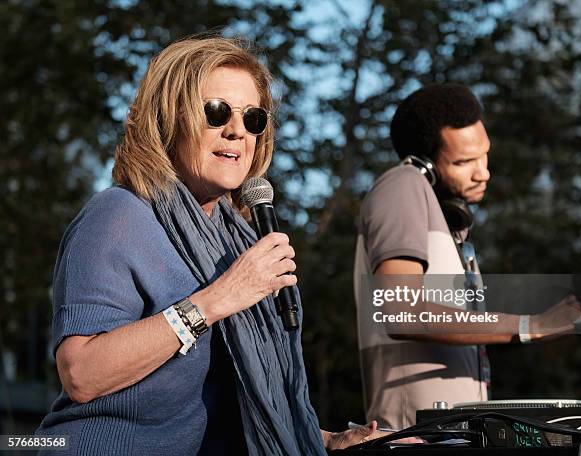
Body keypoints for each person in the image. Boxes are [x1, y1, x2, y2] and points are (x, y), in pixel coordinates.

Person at [35, 35, 391, 455]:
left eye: (253, 118)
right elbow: (80, 373)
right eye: (216, 111)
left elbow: (234, 406)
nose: (237, 130)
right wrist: (216, 300)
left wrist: (328, 441)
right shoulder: (119, 215)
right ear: (168, 118)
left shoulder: (235, 237)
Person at [353, 83, 581, 429]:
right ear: (426, 164)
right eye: (463, 162)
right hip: (412, 438)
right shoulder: (403, 186)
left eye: (484, 154)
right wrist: (530, 326)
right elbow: (400, 310)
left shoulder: (443, 222)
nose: (483, 172)